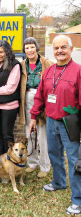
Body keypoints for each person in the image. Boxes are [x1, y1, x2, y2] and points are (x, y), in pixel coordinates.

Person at [29, 35, 81, 215]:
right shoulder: (49, 71)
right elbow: (40, 97)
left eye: (63, 47)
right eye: (57, 48)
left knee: (74, 160)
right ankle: (59, 182)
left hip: (70, 122)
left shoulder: (78, 71)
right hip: (51, 120)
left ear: (71, 49)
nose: (60, 51)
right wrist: (34, 117)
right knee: (53, 153)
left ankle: (78, 200)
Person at [19, 37, 53, 178]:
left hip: (42, 101)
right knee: (30, 134)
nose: (30, 50)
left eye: (32, 47)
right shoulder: (22, 65)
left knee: (43, 136)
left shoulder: (46, 63)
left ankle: (45, 166)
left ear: (36, 48)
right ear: (24, 50)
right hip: (26, 98)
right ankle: (32, 163)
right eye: (27, 48)